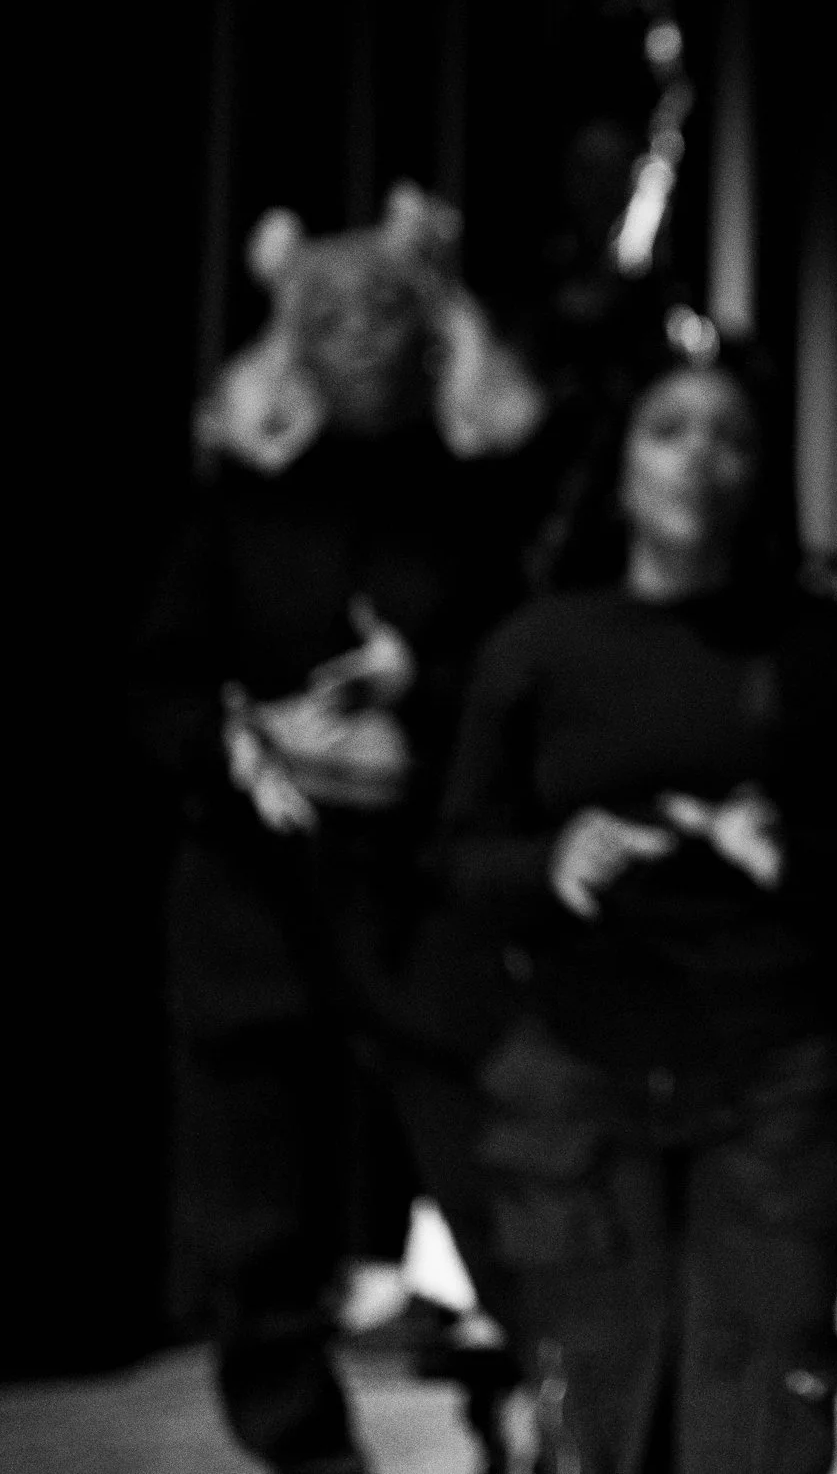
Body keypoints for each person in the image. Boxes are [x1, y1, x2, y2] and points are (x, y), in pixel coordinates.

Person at [433, 324, 837, 1473]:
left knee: (758, 1410)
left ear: (758, 474)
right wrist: (552, 860)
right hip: (580, 1056)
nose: (699, 455)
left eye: (729, 437)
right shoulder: (543, 642)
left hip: (772, 1060)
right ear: (621, 465)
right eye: (669, 429)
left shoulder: (817, 645)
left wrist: (783, 849)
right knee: (594, 1408)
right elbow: (457, 859)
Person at [133, 183, 544, 1474]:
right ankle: (306, 1452)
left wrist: (420, 684)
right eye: (333, 313)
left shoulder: (483, 500)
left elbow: (535, 671)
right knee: (253, 1222)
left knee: (506, 1180)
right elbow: (161, 680)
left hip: (422, 891)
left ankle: (541, 1409)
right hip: (252, 894)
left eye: (385, 307)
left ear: (430, 327)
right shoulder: (237, 502)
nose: (361, 332)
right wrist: (239, 744)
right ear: (293, 339)